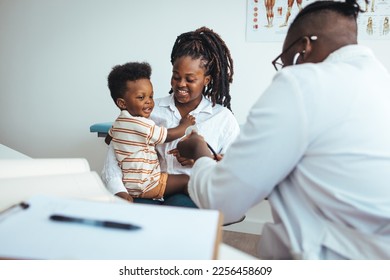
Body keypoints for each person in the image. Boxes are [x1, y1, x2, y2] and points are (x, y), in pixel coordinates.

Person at [177, 0, 390, 259]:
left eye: (284, 60)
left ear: (303, 48)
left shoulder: (302, 83)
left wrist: (200, 153)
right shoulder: (381, 83)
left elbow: (222, 201)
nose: (285, 68)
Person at [102, 27, 240, 208]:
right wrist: (118, 191)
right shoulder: (147, 109)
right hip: (144, 191)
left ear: (206, 80)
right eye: (176, 77)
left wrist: (201, 160)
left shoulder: (222, 118)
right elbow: (115, 158)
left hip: (188, 193)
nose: (181, 84)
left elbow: (236, 170)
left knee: (177, 210)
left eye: (190, 79)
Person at [106, 62, 195, 203]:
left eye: (151, 96)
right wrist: (185, 125)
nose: (149, 102)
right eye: (141, 98)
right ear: (122, 103)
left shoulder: (118, 122)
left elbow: (108, 138)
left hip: (129, 185)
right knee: (186, 180)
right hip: (147, 184)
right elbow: (167, 135)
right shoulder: (141, 123)